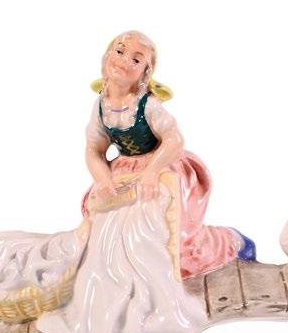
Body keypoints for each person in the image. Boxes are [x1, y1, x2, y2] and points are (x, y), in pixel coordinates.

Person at [81, 30, 256, 278]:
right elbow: (94, 149)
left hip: (162, 164)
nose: (124, 60)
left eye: (136, 59)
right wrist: (103, 179)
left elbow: (174, 140)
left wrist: (152, 172)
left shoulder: (147, 105)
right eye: (119, 51)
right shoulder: (101, 105)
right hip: (125, 170)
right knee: (102, 219)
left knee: (167, 234)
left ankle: (231, 242)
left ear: (145, 72)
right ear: (107, 54)